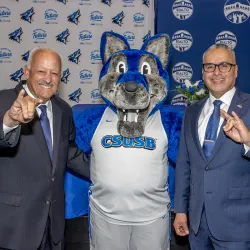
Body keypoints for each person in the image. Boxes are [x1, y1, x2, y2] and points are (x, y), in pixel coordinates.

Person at [0, 48, 89, 250]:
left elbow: (69, 153)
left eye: (55, 73)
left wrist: (109, 173)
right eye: (41, 71)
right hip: (13, 228)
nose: (48, 79)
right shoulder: (3, 101)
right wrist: (10, 122)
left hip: (52, 228)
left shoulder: (63, 109)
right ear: (26, 72)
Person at [173, 43, 250, 250]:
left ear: (236, 70)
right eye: (209, 66)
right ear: (202, 72)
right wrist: (180, 210)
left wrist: (248, 140)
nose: (216, 72)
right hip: (197, 225)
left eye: (224, 65)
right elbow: (184, 164)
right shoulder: (191, 111)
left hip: (238, 224)